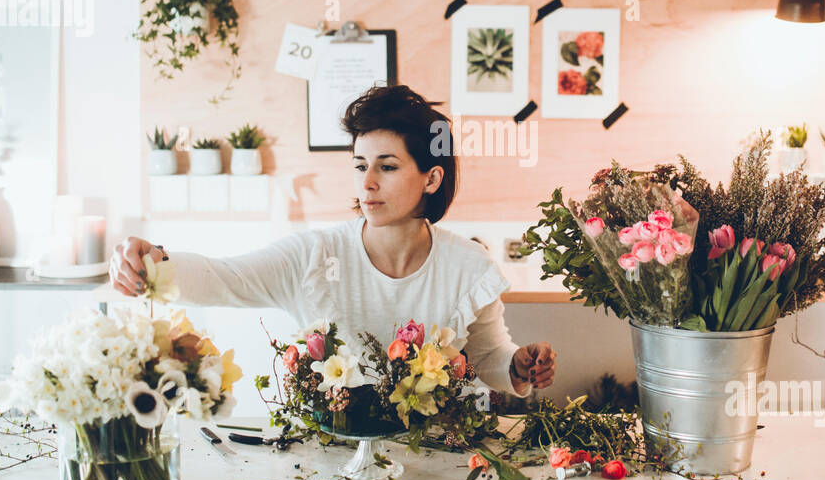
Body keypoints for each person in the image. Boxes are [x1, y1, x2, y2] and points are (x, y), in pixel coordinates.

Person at [109, 84, 555, 397]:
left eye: (388, 166)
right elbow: (223, 278)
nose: (368, 184)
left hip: (437, 462)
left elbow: (488, 354)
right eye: (361, 166)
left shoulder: (469, 265)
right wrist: (154, 262)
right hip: (330, 464)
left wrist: (517, 365)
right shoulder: (314, 256)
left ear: (432, 177)